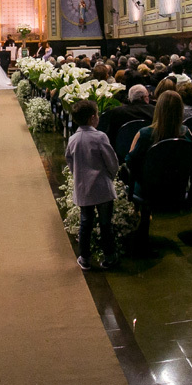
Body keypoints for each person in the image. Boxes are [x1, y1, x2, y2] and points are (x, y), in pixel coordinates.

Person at [126, 91, 192, 242]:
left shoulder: (144, 134)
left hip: (148, 189)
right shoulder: (187, 133)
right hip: (176, 187)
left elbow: (129, 162)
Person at [65, 100, 119, 270]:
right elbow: (112, 161)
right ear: (92, 118)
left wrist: (79, 177)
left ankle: (85, 258)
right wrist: (110, 176)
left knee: (85, 223)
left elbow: (70, 162)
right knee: (105, 224)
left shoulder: (73, 139)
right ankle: (109, 257)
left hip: (84, 188)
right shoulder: (100, 137)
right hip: (102, 188)